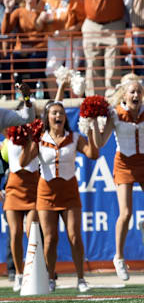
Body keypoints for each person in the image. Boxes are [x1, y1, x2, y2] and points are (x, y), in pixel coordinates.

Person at [19, 93, 100, 292]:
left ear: (65, 117)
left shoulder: (74, 138)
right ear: (47, 117)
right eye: (54, 113)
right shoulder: (40, 139)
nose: (58, 116)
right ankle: (50, 278)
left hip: (69, 192)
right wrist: (30, 138)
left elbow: (93, 153)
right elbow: (23, 162)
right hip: (46, 192)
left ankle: (81, 279)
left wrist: (90, 130)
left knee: (74, 236)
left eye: (61, 113)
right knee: (50, 238)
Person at [94, 73, 144, 281]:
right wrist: (91, 124)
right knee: (125, 213)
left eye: (139, 92)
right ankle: (119, 257)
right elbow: (100, 143)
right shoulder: (114, 114)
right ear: (124, 95)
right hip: (124, 163)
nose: (136, 95)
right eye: (132, 91)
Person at [0, 85, 36, 292]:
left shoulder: (5, 117)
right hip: (13, 185)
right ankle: (20, 273)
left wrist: (26, 96)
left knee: (28, 231)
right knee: (14, 233)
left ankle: (25, 273)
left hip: (25, 185)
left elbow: (26, 117)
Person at [37, 0, 85, 99]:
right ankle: (56, 103)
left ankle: (73, 104)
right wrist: (40, 19)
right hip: (54, 39)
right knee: (50, 72)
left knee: (72, 73)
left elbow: (83, 22)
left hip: (72, 39)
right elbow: (37, 26)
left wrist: (67, 31)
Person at [2, 0, 46, 89]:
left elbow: (47, 36)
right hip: (20, 51)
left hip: (38, 52)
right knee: (8, 61)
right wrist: (7, 9)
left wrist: (32, 49)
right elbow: (5, 31)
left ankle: (34, 95)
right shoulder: (18, 12)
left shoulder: (43, 12)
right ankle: (8, 94)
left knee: (35, 62)